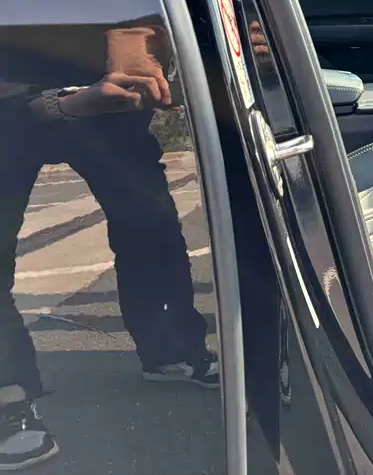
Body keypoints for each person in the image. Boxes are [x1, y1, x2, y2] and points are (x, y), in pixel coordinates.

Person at [0, 24, 217, 470]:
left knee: (151, 231)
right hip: (8, 102)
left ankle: (169, 350)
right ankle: (7, 392)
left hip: (108, 93)